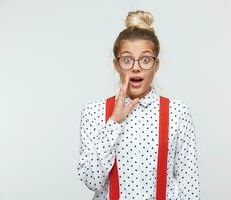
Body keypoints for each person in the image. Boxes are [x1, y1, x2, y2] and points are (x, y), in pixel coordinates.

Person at [77, 10, 200, 200]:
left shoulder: (177, 113)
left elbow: (188, 187)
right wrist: (114, 121)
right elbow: (92, 180)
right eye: (127, 59)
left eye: (145, 60)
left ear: (156, 64)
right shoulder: (94, 113)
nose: (136, 67)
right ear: (116, 65)